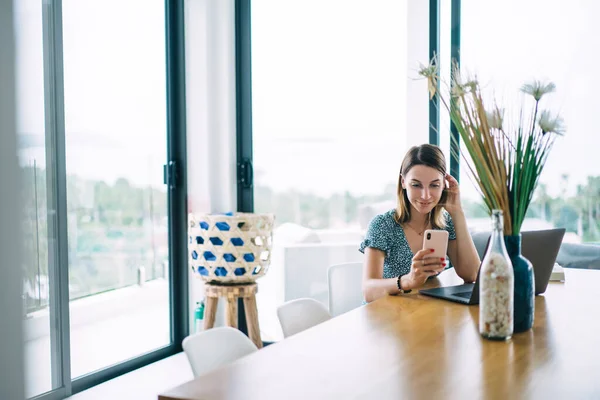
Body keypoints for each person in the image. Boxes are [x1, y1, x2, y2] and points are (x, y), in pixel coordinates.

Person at [360, 144, 480, 303]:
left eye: (434, 185)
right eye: (416, 185)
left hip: (420, 310)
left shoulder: (445, 223)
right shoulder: (383, 225)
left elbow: (471, 275)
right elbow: (368, 291)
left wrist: (457, 212)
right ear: (403, 182)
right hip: (385, 314)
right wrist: (408, 280)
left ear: (444, 185)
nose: (425, 196)